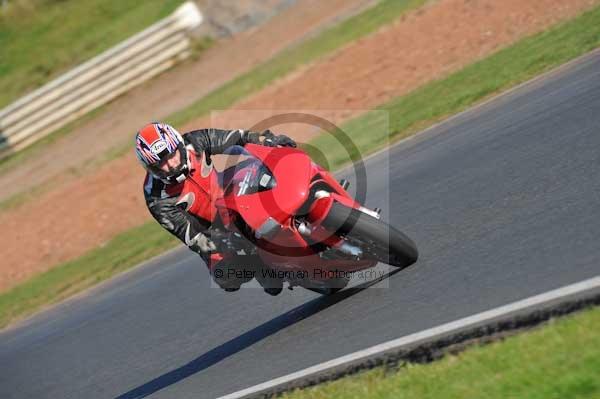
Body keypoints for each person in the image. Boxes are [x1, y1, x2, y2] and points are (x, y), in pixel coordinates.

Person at [135, 122, 296, 295]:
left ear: (179, 144)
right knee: (225, 276)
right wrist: (220, 242)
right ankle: (257, 264)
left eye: (171, 154)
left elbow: (239, 138)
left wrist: (269, 141)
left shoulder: (196, 141)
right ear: (151, 168)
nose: (171, 164)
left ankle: (300, 205)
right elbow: (192, 237)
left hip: (233, 193)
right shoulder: (157, 198)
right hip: (213, 230)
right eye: (161, 162)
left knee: (269, 176)